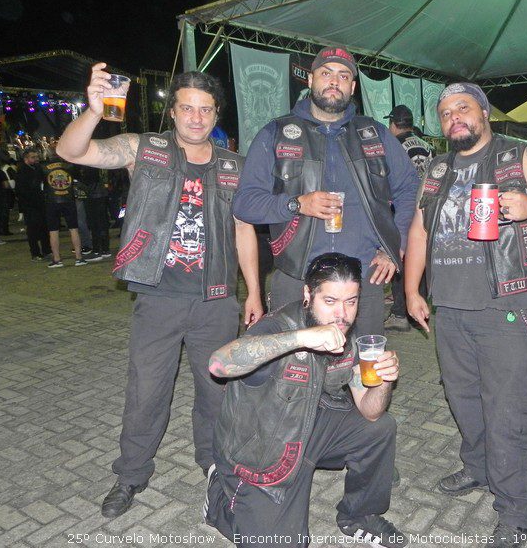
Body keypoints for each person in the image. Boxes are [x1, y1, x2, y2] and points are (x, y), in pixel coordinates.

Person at [56, 64, 263, 518]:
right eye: (187, 108)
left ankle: (214, 465)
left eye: (205, 109)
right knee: (146, 392)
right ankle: (131, 473)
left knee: (217, 392)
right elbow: (71, 151)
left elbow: (243, 229)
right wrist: (93, 112)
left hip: (215, 300)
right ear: (172, 111)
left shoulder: (235, 166)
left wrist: (253, 293)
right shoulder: (144, 149)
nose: (196, 117)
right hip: (158, 297)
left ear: (216, 114)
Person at [404, 82, 527, 548]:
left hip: (507, 305)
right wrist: (411, 290)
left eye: (463, 108)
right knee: (463, 398)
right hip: (450, 307)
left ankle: (515, 510)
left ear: (484, 113)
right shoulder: (437, 168)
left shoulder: (520, 156)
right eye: (446, 113)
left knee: (508, 411)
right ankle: (478, 468)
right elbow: (419, 231)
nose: (454, 118)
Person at [204, 252, 406, 548]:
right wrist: (301, 338)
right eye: (330, 301)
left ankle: (359, 516)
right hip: (262, 446)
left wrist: (384, 381)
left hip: (309, 426)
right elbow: (218, 364)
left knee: (380, 428)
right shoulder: (276, 327)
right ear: (308, 295)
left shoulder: (350, 336)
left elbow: (370, 412)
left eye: (351, 302)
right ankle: (219, 499)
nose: (342, 314)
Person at [232, 46, 419, 342]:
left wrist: (395, 247)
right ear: (310, 80)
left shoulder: (375, 134)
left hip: (363, 279)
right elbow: (244, 204)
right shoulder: (275, 133)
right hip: (296, 278)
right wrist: (296, 204)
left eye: (343, 76)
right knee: (293, 365)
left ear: (352, 87)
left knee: (363, 365)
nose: (334, 81)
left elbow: (410, 190)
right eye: (326, 73)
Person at [382, 105, 432, 332]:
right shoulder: (426, 145)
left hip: (402, 209)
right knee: (419, 257)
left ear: (393, 124)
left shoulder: (393, 145)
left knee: (398, 255)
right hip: (425, 208)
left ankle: (400, 312)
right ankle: (418, 304)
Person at [42, 154, 86, 266]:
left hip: (52, 201)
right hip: (68, 199)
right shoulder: (70, 166)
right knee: (74, 229)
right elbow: (79, 179)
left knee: (53, 231)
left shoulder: (44, 168)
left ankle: (57, 259)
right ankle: (79, 257)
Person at [14, 148, 52, 260]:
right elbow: (20, 191)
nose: (36, 159)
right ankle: (35, 253)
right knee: (33, 230)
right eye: (33, 157)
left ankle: (47, 250)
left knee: (44, 228)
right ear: (26, 159)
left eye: (37, 157)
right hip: (30, 206)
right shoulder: (22, 171)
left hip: (41, 203)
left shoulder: (38, 168)